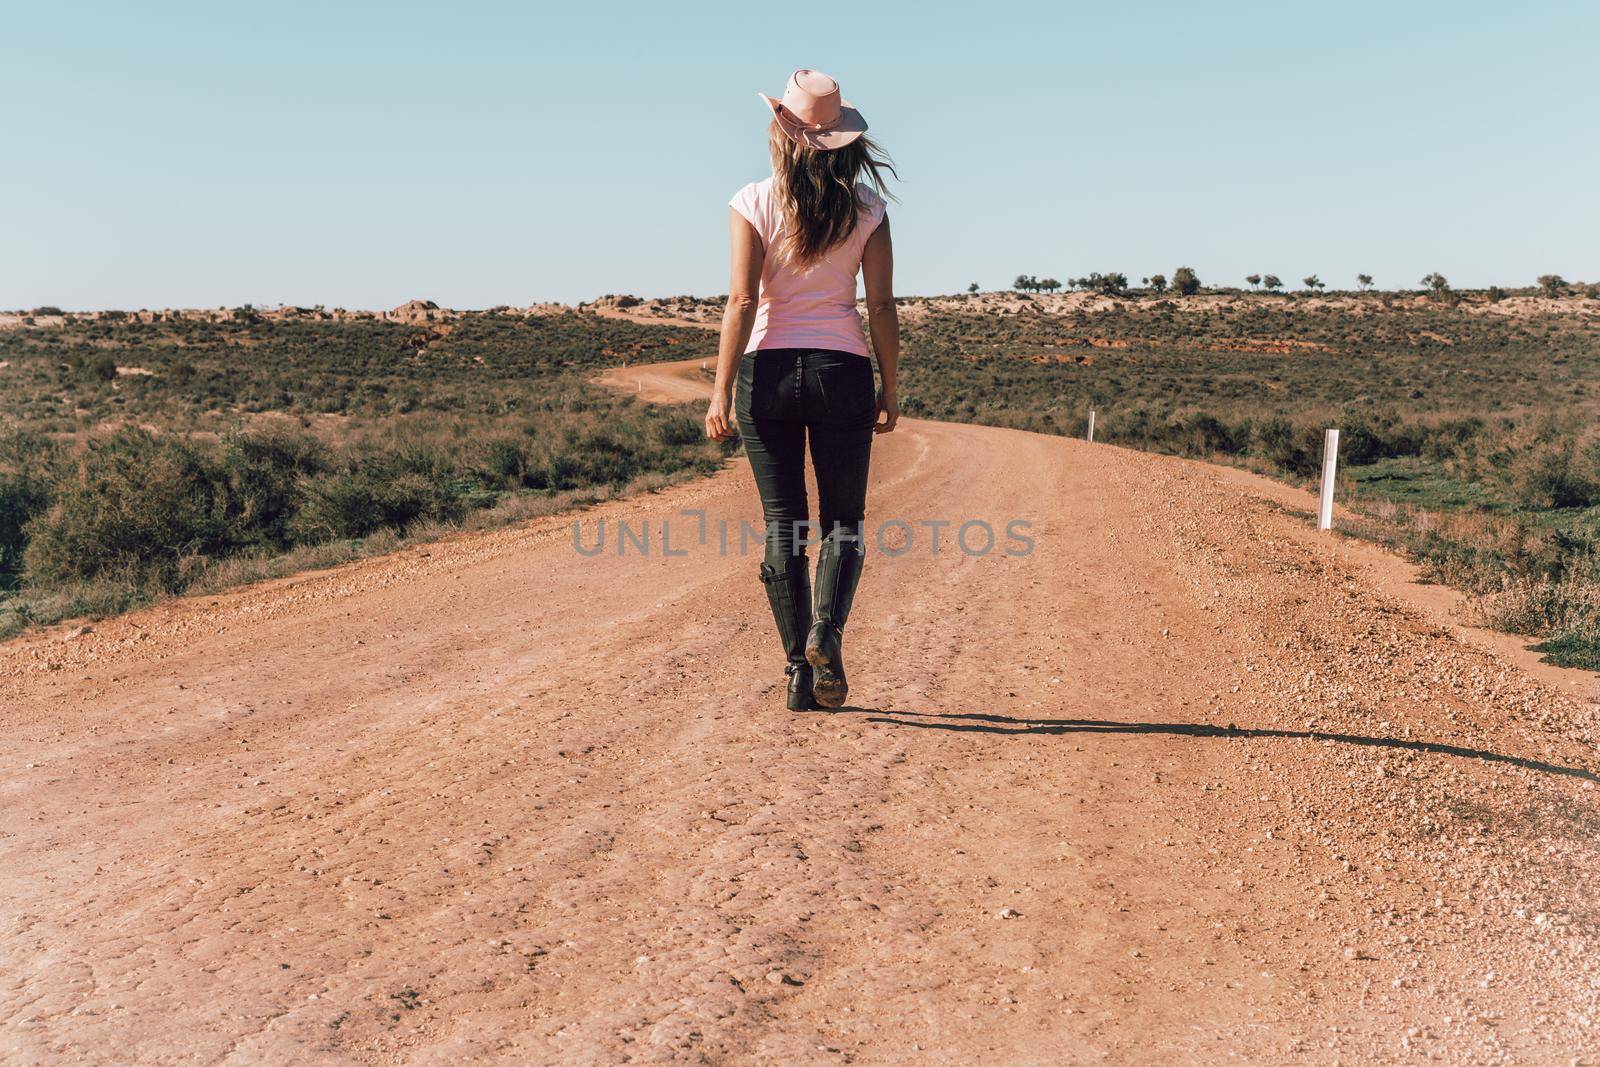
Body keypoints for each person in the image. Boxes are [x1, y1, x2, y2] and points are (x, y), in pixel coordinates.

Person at [704, 69, 900, 711]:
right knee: (845, 522)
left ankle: (797, 671)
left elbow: (740, 299)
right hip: (841, 369)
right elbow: (881, 306)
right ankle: (825, 631)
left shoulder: (752, 202)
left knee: (784, 524)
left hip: (768, 370)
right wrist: (890, 385)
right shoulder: (869, 210)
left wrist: (720, 391)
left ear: (782, 132)